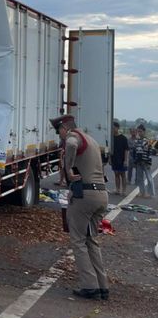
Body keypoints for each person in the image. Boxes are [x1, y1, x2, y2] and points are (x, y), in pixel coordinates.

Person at [50, 114, 109, 300]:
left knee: (78, 241)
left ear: (64, 128)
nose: (58, 135)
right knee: (92, 240)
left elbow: (72, 144)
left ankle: (89, 286)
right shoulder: (91, 139)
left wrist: (67, 169)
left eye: (58, 131)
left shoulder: (73, 136)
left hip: (85, 196)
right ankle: (102, 286)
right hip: (101, 195)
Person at [132, 123, 155, 198]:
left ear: (144, 132)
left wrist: (149, 162)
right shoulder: (136, 141)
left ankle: (150, 193)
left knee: (149, 178)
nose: (139, 133)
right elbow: (134, 152)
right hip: (138, 162)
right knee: (139, 178)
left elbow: (150, 152)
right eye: (138, 131)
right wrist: (134, 161)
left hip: (146, 162)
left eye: (140, 131)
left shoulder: (148, 141)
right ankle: (142, 192)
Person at [110, 120, 129, 195]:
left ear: (117, 128)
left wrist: (125, 160)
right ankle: (117, 189)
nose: (113, 129)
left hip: (122, 159)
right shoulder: (111, 138)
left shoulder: (123, 138)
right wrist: (109, 159)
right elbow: (109, 149)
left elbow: (126, 150)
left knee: (123, 175)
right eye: (112, 128)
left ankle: (124, 191)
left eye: (114, 128)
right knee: (116, 174)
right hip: (114, 158)